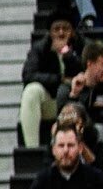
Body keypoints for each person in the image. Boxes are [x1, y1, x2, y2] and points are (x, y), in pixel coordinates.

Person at [20, 12, 82, 149]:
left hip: (78, 101)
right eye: (56, 29)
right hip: (52, 101)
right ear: (50, 33)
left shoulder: (81, 44)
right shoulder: (40, 48)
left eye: (65, 28)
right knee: (31, 91)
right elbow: (28, 75)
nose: (61, 33)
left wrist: (67, 54)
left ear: (72, 32)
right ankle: (32, 150)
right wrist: (59, 80)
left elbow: (85, 69)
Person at [55, 41, 103, 146]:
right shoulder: (67, 88)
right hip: (73, 139)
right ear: (90, 64)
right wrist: (74, 95)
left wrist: (80, 121)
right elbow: (63, 119)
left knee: (100, 130)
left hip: (101, 142)